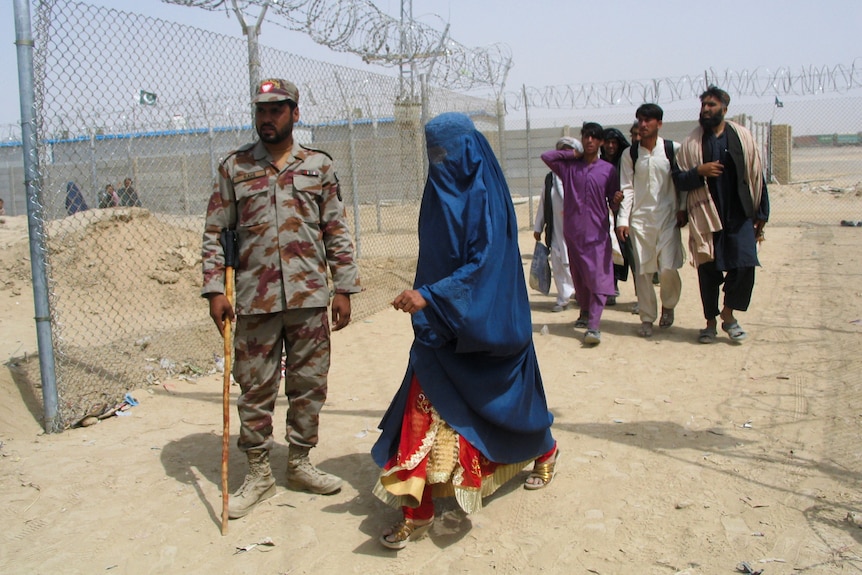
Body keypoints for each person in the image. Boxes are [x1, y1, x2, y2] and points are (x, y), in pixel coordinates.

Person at [372, 112, 558, 550]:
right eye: (433, 154)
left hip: (486, 316)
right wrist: (430, 300)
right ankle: (415, 510)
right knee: (423, 399)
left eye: (447, 153)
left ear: (469, 150)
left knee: (509, 405)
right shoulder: (437, 189)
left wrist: (432, 296)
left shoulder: (485, 195)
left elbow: (487, 263)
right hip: (440, 324)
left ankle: (545, 449)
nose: (441, 162)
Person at [201, 78, 361, 519]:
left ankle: (299, 462)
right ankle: (259, 473)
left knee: (309, 384)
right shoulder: (234, 168)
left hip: (309, 295)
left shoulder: (318, 167)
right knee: (256, 386)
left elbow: (336, 230)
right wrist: (215, 288)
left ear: (294, 112)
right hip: (254, 299)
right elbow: (215, 232)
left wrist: (343, 286)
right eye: (261, 111)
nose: (267, 119)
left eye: (276, 110)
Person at [673, 86, 769, 344]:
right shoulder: (691, 144)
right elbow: (679, 180)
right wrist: (699, 172)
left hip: (738, 215)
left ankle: (728, 314)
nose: (705, 110)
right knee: (709, 271)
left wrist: (762, 212)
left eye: (711, 105)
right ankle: (710, 323)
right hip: (705, 216)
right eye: (703, 105)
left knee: (746, 265)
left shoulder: (742, 137)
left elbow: (756, 173)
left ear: (724, 109)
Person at [542, 122, 619, 345]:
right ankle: (585, 312)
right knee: (580, 276)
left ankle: (594, 326)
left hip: (597, 234)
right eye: (586, 136)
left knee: (598, 278)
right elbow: (547, 156)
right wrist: (571, 154)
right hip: (573, 233)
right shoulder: (569, 167)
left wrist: (615, 201)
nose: (590, 141)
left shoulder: (608, 170)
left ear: (601, 142)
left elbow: (613, 200)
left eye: (595, 137)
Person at [616, 103, 685, 338]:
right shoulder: (630, 154)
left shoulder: (672, 149)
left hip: (667, 218)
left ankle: (669, 304)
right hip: (640, 221)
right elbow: (627, 188)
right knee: (643, 272)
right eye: (640, 120)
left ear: (659, 123)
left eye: (648, 120)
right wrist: (623, 219)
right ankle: (647, 317)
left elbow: (682, 183)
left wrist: (683, 209)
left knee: (668, 268)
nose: (643, 125)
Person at [533, 136, 582, 312]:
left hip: (577, 229)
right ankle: (563, 299)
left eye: (569, 150)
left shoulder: (580, 174)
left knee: (576, 263)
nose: (565, 153)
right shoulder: (550, 178)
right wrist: (538, 227)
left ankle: (579, 293)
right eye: (562, 150)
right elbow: (543, 203)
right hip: (556, 228)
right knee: (558, 262)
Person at [601, 127, 633, 307]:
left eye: (614, 142)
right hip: (605, 213)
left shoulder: (626, 162)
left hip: (626, 213)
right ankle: (611, 286)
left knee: (624, 250)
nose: (611, 146)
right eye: (608, 142)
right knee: (608, 250)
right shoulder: (598, 163)